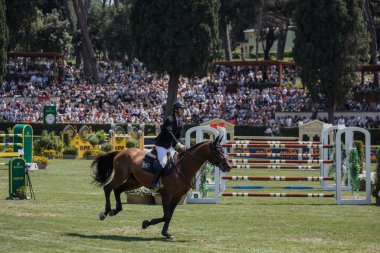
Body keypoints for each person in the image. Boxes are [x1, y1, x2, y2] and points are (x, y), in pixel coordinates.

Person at [152, 100, 187, 190]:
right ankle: (154, 183)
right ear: (175, 110)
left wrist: (183, 145)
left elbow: (178, 137)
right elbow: (169, 133)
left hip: (170, 146)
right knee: (163, 163)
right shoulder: (169, 119)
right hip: (161, 145)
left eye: (183, 109)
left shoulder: (180, 122)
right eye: (181, 109)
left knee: (176, 162)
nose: (183, 111)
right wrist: (178, 144)